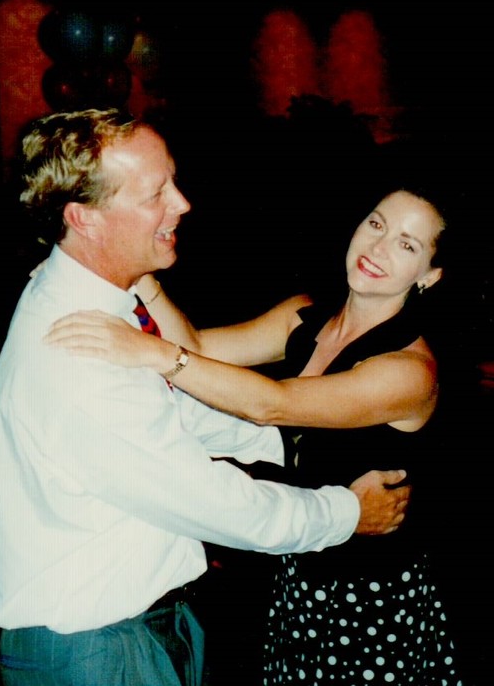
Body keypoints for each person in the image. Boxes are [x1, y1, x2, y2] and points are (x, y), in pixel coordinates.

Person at [0, 108, 412, 686]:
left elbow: (173, 412)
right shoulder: (78, 351)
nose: (182, 204)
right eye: (155, 194)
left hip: (133, 630)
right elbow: (218, 503)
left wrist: (291, 448)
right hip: (100, 648)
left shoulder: (88, 304)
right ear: (85, 218)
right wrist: (348, 513)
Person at [46, 184, 466, 685]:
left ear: (429, 275)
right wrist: (139, 273)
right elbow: (199, 347)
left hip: (370, 598)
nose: (378, 248)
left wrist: (154, 353)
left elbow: (272, 404)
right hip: (301, 569)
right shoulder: (306, 316)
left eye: (406, 244)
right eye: (377, 224)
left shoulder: (409, 371)